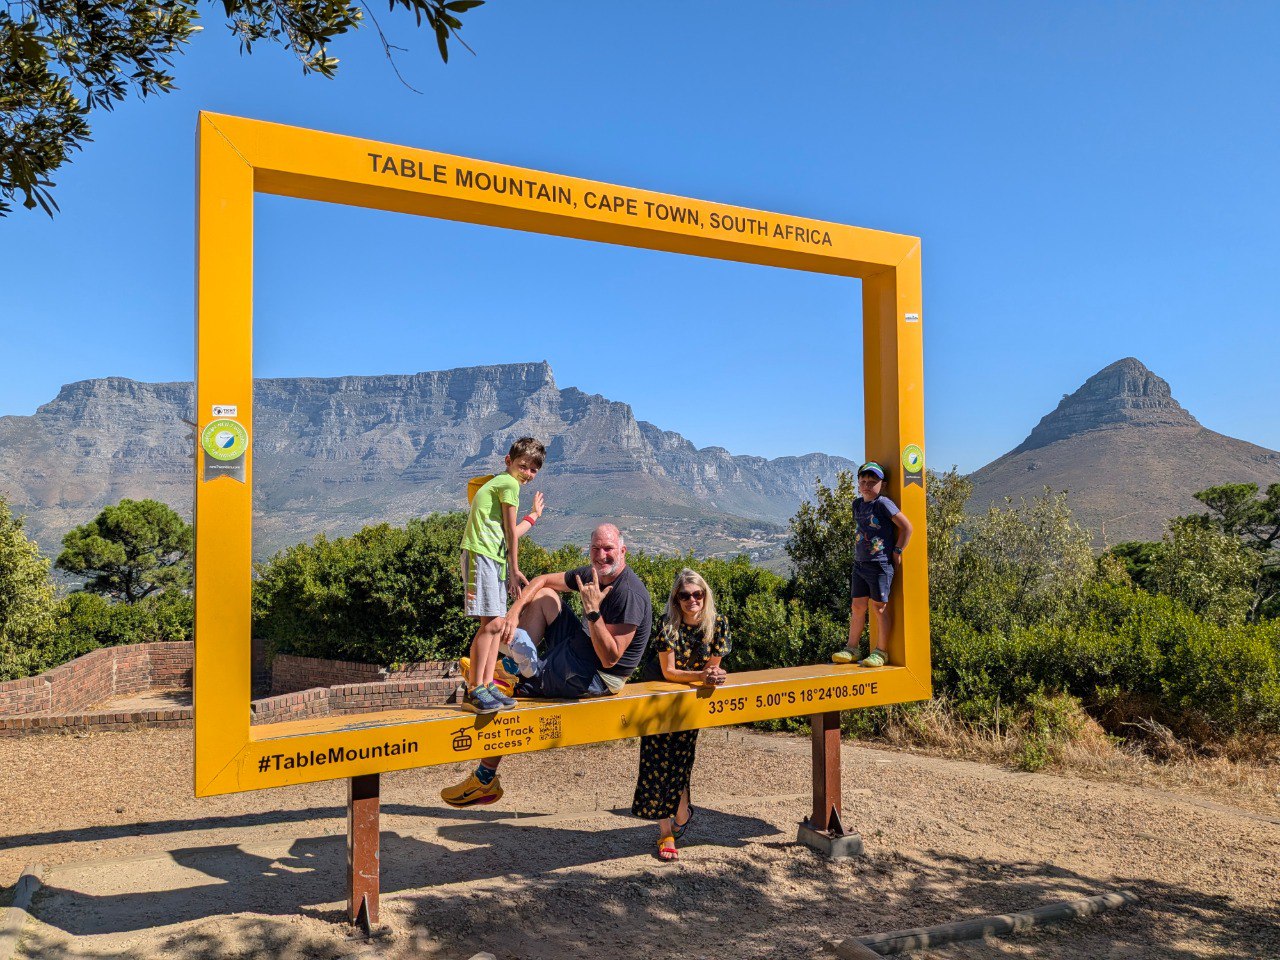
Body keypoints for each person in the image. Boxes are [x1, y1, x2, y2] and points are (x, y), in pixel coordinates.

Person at [441, 523, 652, 807]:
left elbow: (610, 658)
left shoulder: (628, 594)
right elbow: (541, 580)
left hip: (599, 676)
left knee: (507, 692)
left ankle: (484, 779)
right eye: (596, 549)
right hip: (583, 649)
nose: (602, 555)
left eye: (609, 549)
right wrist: (513, 613)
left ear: (623, 551)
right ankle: (510, 668)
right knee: (545, 597)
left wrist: (592, 612)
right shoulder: (591, 575)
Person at [631, 568, 728, 862]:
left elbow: (712, 667)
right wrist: (702, 675)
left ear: (705, 595)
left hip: (689, 702)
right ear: (677, 599)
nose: (692, 600)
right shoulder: (668, 625)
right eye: (685, 595)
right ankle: (666, 833)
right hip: (659, 700)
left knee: (681, 762)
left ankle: (681, 817)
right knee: (656, 764)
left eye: (697, 594)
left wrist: (713, 675)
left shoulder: (718, 624)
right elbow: (669, 671)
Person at [458, 437, 546, 714]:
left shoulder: (503, 483)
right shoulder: (509, 484)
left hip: (492, 558)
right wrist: (515, 570)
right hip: (481, 555)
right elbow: (510, 534)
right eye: (523, 466)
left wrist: (533, 516)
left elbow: (511, 532)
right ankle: (475, 689)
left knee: (495, 625)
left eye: (533, 470)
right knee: (493, 624)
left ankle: (487, 685)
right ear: (509, 461)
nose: (527, 474)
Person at [832, 460, 913, 667]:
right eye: (863, 481)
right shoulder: (857, 504)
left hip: (879, 564)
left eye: (872, 481)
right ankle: (852, 648)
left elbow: (907, 527)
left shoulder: (883, 504)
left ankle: (881, 652)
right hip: (860, 564)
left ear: (882, 485)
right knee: (857, 606)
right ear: (858, 483)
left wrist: (897, 551)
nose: (867, 485)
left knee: (879, 608)